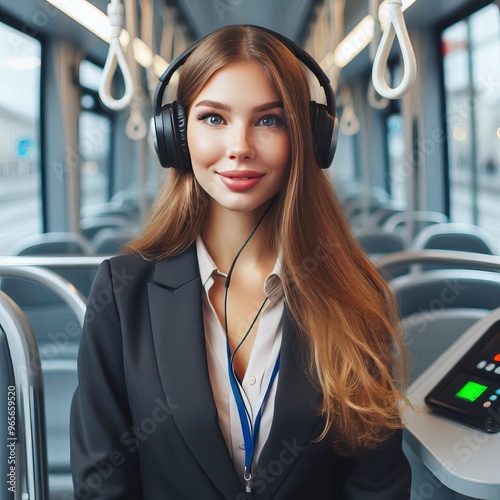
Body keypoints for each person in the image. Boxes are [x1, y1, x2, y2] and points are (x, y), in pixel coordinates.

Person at [70, 24, 411, 499]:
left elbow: (377, 484)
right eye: (214, 119)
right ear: (176, 134)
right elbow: (101, 484)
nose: (240, 146)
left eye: (269, 120)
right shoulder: (121, 291)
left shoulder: (354, 293)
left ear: (309, 139)